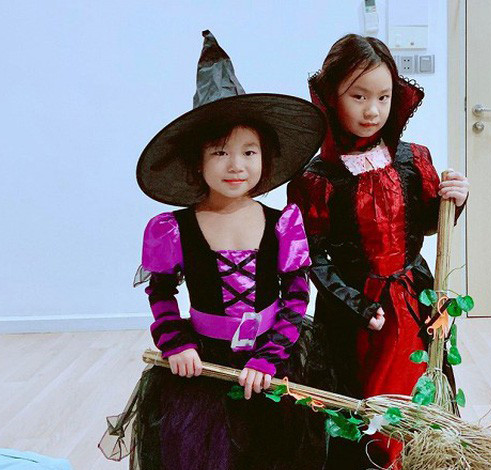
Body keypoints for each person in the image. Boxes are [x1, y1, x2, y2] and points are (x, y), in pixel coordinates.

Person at [99, 30, 327, 470]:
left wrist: (270, 355)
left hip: (272, 358)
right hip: (204, 362)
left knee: (272, 452)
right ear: (198, 161)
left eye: (249, 151)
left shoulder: (282, 223)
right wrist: (176, 343)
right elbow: (161, 293)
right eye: (220, 152)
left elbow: (297, 296)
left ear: (265, 157)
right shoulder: (173, 229)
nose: (236, 165)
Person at [287, 34, 469, 469]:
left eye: (383, 97)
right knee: (359, 406)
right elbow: (312, 256)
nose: (372, 110)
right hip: (354, 312)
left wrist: (455, 201)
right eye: (359, 96)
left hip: (413, 302)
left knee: (418, 390)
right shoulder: (316, 178)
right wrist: (358, 305)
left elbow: (426, 224)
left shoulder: (412, 158)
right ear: (331, 98)